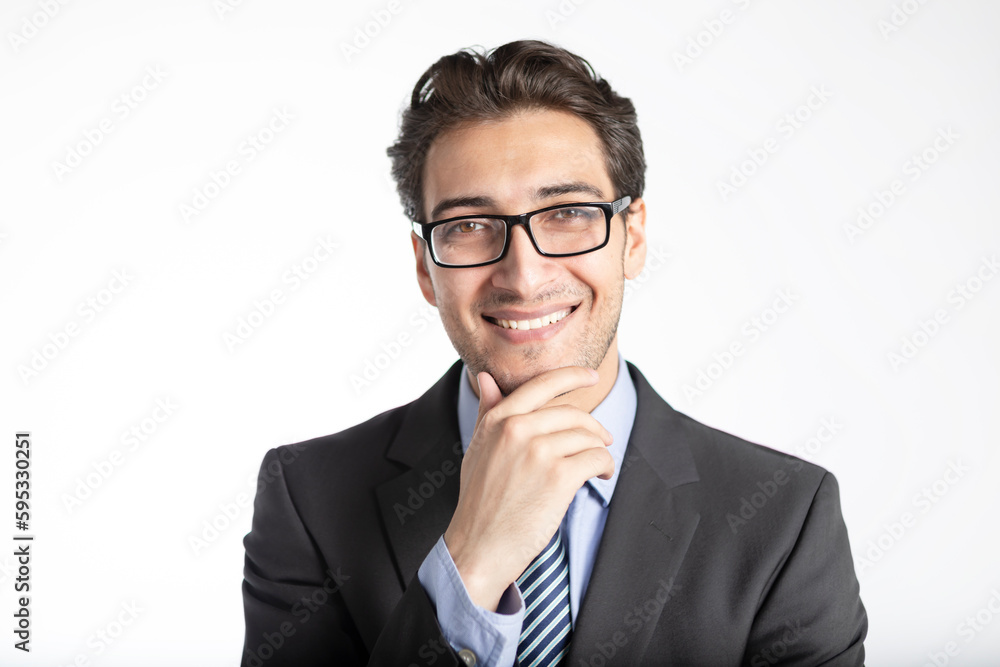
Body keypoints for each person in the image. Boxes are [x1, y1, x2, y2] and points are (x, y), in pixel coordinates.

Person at [241, 39, 867, 667]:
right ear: (426, 268)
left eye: (567, 213)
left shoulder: (785, 517)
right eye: (468, 225)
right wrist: (472, 560)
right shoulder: (307, 497)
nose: (524, 275)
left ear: (632, 237)